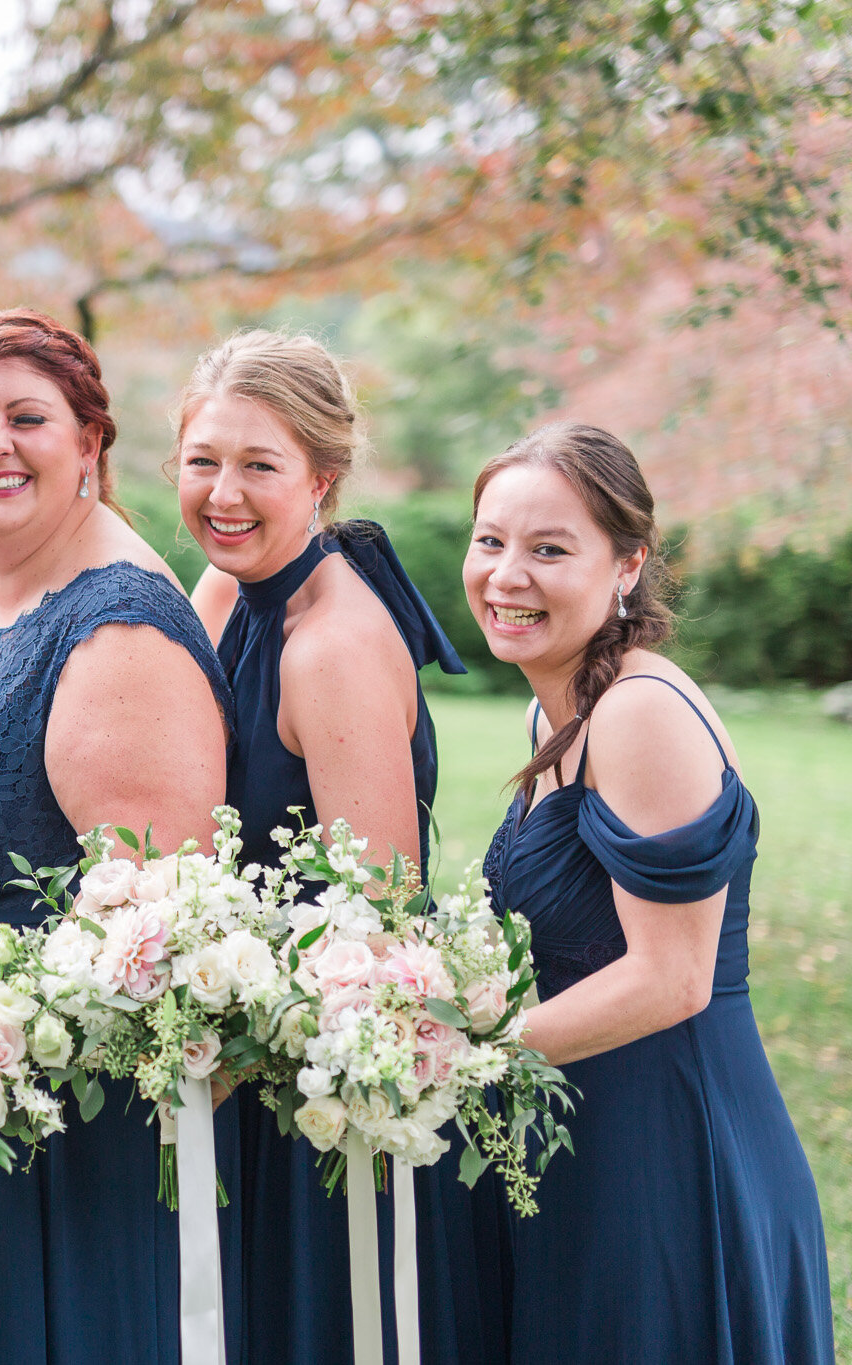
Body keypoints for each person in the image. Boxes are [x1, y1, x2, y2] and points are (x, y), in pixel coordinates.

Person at [0, 307, 236, 1365]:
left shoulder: (118, 627)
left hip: (52, 1127)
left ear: (88, 446)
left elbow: (145, 939)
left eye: (27, 418)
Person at [172, 330, 505, 1365]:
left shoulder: (333, 646)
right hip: (224, 1049)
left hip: (306, 1083)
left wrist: (233, 1024)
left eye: (258, 466)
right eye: (202, 460)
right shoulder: (224, 588)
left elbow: (378, 921)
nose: (223, 493)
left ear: (319, 478)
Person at [469, 422, 833, 1364]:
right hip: (583, 1145)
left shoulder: (638, 711)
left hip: (671, 1151)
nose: (508, 574)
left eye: (550, 549)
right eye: (491, 540)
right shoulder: (555, 707)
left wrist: (458, 1051)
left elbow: (674, 978)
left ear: (627, 565)